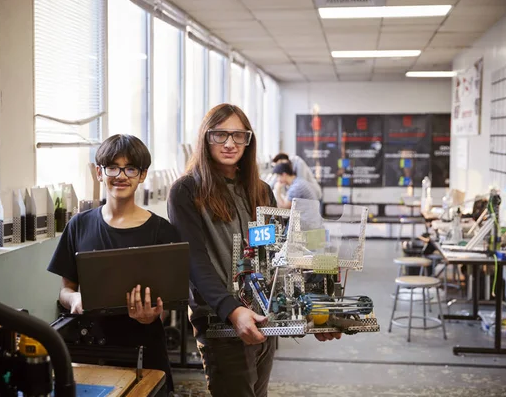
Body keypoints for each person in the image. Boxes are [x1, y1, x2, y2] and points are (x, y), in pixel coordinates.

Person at [167, 104, 341, 397]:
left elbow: (276, 257)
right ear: (205, 138)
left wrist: (313, 311)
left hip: (264, 319)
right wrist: (232, 310)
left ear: (249, 141)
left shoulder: (260, 190)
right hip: (221, 323)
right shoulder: (187, 191)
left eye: (238, 135)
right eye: (220, 135)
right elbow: (194, 262)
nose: (230, 143)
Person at [47, 134, 178, 394]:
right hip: (91, 349)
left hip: (145, 348)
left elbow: (169, 301)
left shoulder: (162, 232)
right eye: (113, 167)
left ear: (142, 175)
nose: (121, 175)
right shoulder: (79, 225)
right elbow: (66, 289)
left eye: (130, 168)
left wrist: (152, 316)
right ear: (99, 172)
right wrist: (74, 300)